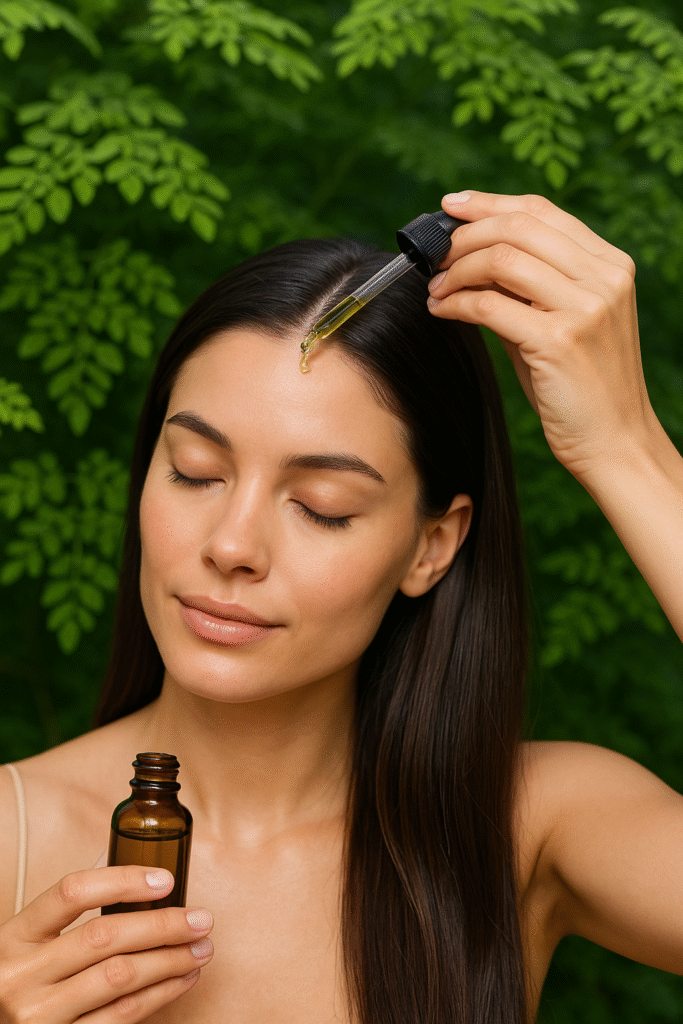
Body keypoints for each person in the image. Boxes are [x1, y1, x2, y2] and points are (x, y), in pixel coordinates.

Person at [0, 189, 682, 1024]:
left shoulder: (528, 825)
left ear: (432, 546)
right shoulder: (12, 834)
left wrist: (626, 448)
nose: (231, 544)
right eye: (194, 471)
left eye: (321, 505)